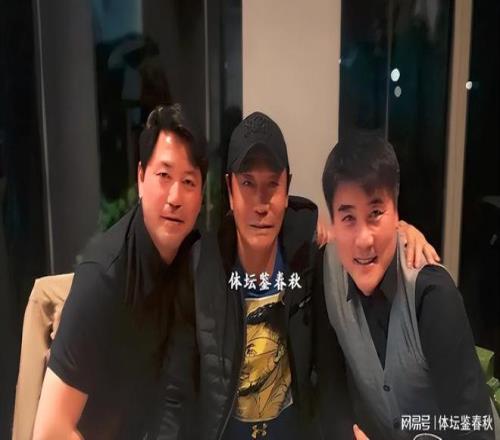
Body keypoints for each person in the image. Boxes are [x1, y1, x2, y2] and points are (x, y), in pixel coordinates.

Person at [150, 112, 438, 440]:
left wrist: (400, 233)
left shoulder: (309, 258)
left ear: (287, 187)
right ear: (230, 189)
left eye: (272, 184)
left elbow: (330, 376)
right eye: (248, 184)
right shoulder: (202, 266)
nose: (261, 204)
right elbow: (176, 391)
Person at [33, 104, 207, 440]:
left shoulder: (195, 256)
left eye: (188, 181)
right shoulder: (104, 276)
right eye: (164, 176)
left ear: (201, 194)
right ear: (141, 178)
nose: (175, 197)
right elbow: (50, 430)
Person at [318, 133, 494, 439]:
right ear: (333, 221)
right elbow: (331, 385)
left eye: (375, 213)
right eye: (348, 217)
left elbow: (476, 431)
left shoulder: (433, 296)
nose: (363, 240)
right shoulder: (326, 269)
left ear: (397, 214)